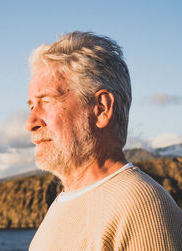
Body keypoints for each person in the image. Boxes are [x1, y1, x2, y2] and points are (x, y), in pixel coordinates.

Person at [26, 31, 182, 250]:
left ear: (101, 109)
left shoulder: (142, 207)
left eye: (47, 101)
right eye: (31, 105)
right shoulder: (63, 203)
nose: (30, 122)